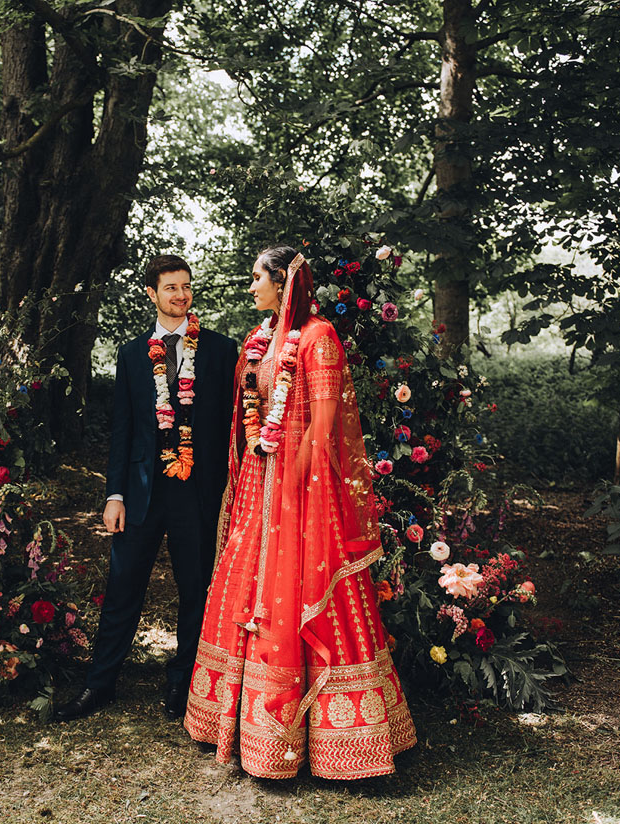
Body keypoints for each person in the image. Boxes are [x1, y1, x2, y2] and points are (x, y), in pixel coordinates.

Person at [184, 246, 417, 779]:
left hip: (304, 491)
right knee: (247, 589)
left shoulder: (318, 338)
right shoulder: (261, 338)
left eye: (256, 279)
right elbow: (251, 413)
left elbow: (323, 427)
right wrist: (258, 474)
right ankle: (243, 726)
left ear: (283, 283)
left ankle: (325, 737)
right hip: (261, 480)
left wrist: (291, 489)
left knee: (299, 590)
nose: (251, 289)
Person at [55, 255, 238, 721]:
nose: (181, 294)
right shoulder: (133, 353)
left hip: (198, 492)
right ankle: (100, 685)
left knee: (195, 590)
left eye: (186, 286)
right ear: (152, 295)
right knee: (122, 589)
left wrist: (230, 492)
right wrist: (114, 494)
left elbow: (232, 426)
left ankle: (184, 683)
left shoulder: (220, 350)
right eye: (171, 288)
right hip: (141, 490)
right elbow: (123, 427)